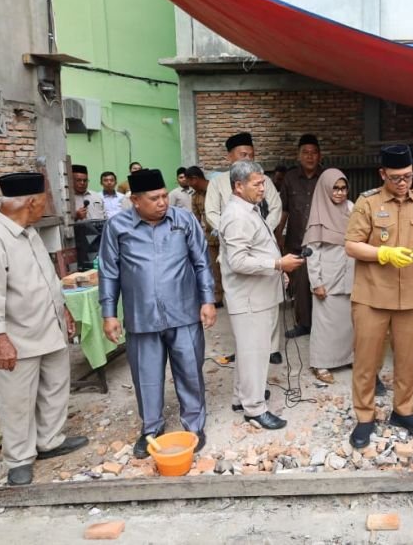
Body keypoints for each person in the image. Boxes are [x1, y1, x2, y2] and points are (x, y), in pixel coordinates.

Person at [99, 169, 217, 458]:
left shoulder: (183, 220)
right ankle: (151, 428)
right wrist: (109, 313)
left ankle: (194, 425)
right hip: (142, 316)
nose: (163, 202)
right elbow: (108, 271)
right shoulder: (117, 226)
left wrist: (207, 300)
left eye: (164, 195)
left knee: (190, 371)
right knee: (146, 376)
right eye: (155, 198)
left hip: (184, 311)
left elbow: (201, 262)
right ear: (136, 201)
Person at [0, 173, 89, 486]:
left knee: (55, 386)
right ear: (32, 202)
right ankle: (19, 458)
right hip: (17, 336)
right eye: (45, 200)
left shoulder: (30, 231)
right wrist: (0, 339)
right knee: (18, 399)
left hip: (49, 326)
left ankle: (50, 440)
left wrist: (63, 308)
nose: (46, 206)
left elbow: (47, 277)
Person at [345, 144, 413, 449]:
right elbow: (351, 245)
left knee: (407, 361)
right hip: (371, 295)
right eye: (396, 177)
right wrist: (382, 253)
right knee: (367, 362)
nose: (403, 183)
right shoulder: (367, 203)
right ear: (382, 174)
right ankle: (365, 416)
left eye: (408, 177)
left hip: (409, 295)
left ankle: (403, 411)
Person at [219, 161, 303, 429]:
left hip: (259, 293)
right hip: (249, 299)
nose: (263, 188)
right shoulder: (236, 216)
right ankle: (254, 408)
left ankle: (240, 398)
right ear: (238, 186)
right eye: (257, 184)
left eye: (263, 182)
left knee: (248, 352)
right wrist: (278, 265)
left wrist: (279, 272)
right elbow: (238, 262)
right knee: (255, 353)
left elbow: (258, 250)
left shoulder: (249, 210)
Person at [205, 132, 283, 364]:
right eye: (242, 154)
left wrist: (260, 231)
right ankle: (245, 348)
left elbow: (276, 207)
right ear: (230, 156)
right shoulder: (218, 183)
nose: (247, 156)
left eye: (250, 153)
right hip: (235, 246)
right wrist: (236, 233)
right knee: (240, 301)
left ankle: (272, 347)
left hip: (264, 245)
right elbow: (212, 212)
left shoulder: (262, 180)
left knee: (269, 298)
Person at [303, 168, 355, 384]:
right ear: (325, 189)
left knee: (347, 321)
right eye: (335, 188)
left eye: (343, 188)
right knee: (325, 323)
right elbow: (312, 252)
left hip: (349, 273)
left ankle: (346, 357)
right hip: (328, 276)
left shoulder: (351, 208)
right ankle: (321, 363)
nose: (340, 193)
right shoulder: (318, 213)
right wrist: (316, 282)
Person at [279, 134, 324, 338]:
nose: (309, 157)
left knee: (321, 284)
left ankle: (322, 325)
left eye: (313, 153)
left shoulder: (326, 177)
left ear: (319, 155)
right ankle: (304, 324)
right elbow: (284, 210)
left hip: (321, 241)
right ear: (299, 156)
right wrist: (277, 236)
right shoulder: (289, 178)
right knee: (299, 285)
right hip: (296, 241)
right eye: (305, 152)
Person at [186, 166, 223, 306]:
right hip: (210, 238)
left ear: (195, 179)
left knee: (230, 266)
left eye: (189, 181)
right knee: (214, 269)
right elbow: (196, 218)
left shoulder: (216, 189)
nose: (188, 185)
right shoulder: (195, 196)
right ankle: (218, 298)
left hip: (226, 235)